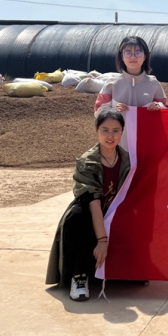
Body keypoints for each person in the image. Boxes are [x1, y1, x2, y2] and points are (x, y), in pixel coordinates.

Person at [46, 109, 130, 301]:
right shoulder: (87, 161)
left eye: (115, 130)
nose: (110, 136)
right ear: (96, 130)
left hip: (114, 211)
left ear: (122, 132)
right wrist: (102, 240)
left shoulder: (127, 159)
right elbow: (93, 202)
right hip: (91, 210)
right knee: (78, 217)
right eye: (105, 130)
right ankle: (79, 277)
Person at [95, 36, 168, 113]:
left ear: (145, 56)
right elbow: (99, 111)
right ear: (122, 57)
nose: (133, 57)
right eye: (128, 53)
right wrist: (114, 112)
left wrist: (160, 106)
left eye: (138, 52)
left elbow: (167, 110)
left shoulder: (154, 84)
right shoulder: (111, 84)